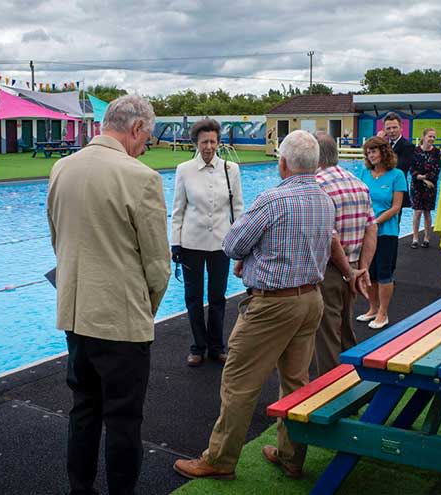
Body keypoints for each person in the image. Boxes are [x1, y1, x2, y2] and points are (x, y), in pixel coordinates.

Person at [173, 130, 335, 481]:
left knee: (238, 382)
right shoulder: (325, 200)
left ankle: (220, 458)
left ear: (283, 163)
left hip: (273, 305)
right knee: (295, 380)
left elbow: (232, 244)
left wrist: (252, 258)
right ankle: (291, 456)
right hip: (311, 299)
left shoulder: (273, 200)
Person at [47, 95, 170, 495]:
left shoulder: (61, 168)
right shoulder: (140, 177)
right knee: (123, 419)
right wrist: (144, 309)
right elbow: (157, 265)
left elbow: (56, 239)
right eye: (146, 139)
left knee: (83, 409)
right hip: (120, 321)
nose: (144, 147)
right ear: (136, 128)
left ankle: (79, 489)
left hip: (75, 313)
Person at [170, 118, 244, 367]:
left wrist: (240, 243)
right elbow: (178, 210)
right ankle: (197, 346)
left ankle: (216, 346)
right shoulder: (184, 170)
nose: (209, 146)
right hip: (191, 243)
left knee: (217, 297)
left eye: (213, 141)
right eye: (204, 142)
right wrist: (175, 243)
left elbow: (238, 209)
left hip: (221, 244)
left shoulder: (231, 169)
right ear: (196, 143)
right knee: (193, 297)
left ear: (218, 142)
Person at [314, 132, 377, 374]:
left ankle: (330, 397)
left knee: (327, 335)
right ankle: (352, 382)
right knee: (345, 329)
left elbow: (330, 237)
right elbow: (371, 227)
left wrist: (349, 272)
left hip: (331, 269)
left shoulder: (317, 186)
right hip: (353, 265)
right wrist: (362, 269)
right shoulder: (358, 183)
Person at [357, 136, 407, 330]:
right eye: (369, 152)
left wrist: (375, 222)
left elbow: (396, 207)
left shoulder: (397, 175)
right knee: (370, 272)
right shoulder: (365, 173)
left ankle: (383, 313)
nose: (371, 155)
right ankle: (372, 308)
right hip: (366, 233)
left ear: (383, 152)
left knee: (384, 273)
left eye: (374, 151)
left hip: (386, 233)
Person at [409, 128, 441, 248]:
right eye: (430, 136)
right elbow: (411, 167)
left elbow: (437, 169)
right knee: (417, 212)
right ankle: (415, 238)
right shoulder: (415, 151)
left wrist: (427, 178)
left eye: (434, 137)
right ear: (423, 137)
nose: (432, 139)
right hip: (416, 185)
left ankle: (427, 238)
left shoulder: (436, 152)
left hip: (430, 187)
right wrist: (421, 177)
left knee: (427, 212)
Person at [383, 112, 414, 221]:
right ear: (384, 130)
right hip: (381, 190)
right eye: (388, 128)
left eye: (394, 127)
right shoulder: (382, 145)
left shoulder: (408, 146)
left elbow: (401, 167)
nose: (392, 131)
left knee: (394, 224)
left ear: (401, 128)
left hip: (397, 190)